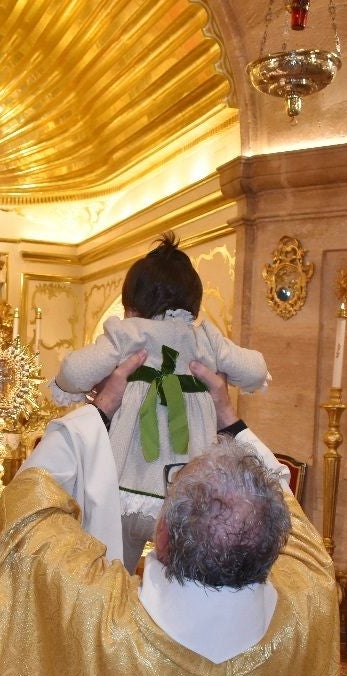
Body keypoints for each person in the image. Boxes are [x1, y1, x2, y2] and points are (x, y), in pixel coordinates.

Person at [0, 355, 338, 676]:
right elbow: (288, 503)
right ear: (274, 542)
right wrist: (228, 418)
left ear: (163, 533)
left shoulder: (94, 615)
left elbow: (27, 512)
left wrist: (98, 412)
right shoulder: (310, 600)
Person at [50, 232, 269, 567]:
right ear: (193, 304)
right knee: (183, 579)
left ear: (132, 305)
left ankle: (110, 618)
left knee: (109, 575)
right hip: (187, 495)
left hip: (124, 487)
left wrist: (83, 384)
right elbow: (255, 370)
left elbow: (74, 371)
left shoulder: (129, 334)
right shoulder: (204, 340)